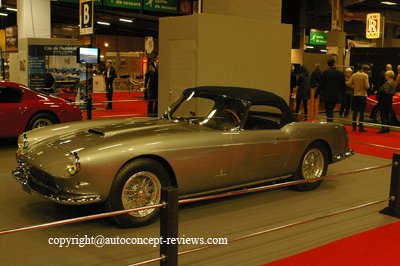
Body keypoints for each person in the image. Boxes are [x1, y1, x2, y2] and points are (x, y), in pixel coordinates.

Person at [314, 58, 346, 122]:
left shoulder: (325, 73)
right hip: (337, 95)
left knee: (329, 111)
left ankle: (330, 123)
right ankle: (330, 123)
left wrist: (316, 94)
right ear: (334, 63)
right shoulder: (341, 73)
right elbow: (343, 86)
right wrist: (343, 95)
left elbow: (321, 84)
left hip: (327, 95)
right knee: (331, 110)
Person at [348, 65, 370, 132]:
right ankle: (360, 127)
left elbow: (349, 83)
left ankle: (354, 127)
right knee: (361, 112)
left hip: (355, 94)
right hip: (363, 95)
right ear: (366, 70)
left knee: (355, 112)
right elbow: (367, 86)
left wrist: (354, 87)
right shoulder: (365, 76)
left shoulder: (354, 75)